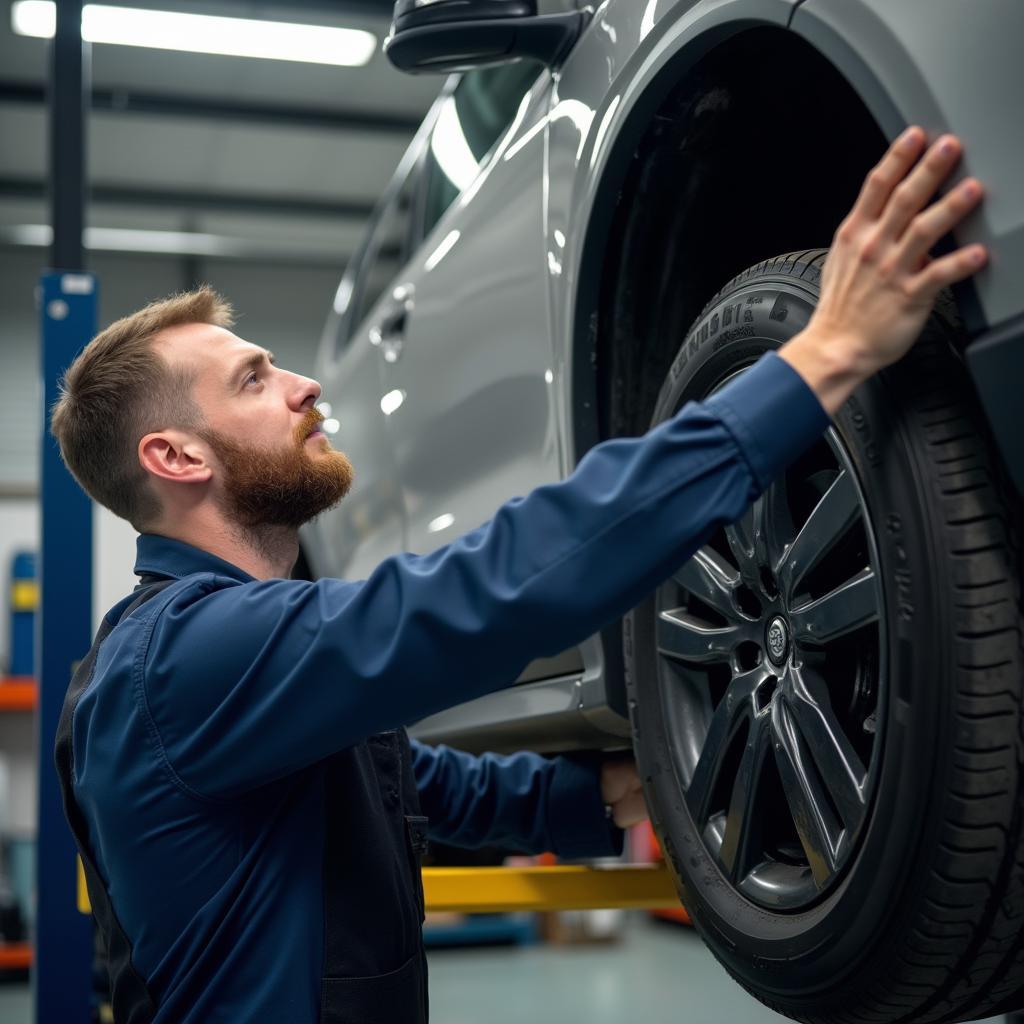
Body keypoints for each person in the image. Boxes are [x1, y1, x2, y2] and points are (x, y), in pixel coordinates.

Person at [49, 127, 986, 1024]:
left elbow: (404, 781)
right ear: (175, 457)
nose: (305, 385)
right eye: (255, 380)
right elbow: (493, 585)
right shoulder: (181, 656)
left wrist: (596, 794)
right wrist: (823, 356)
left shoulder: (198, 656)